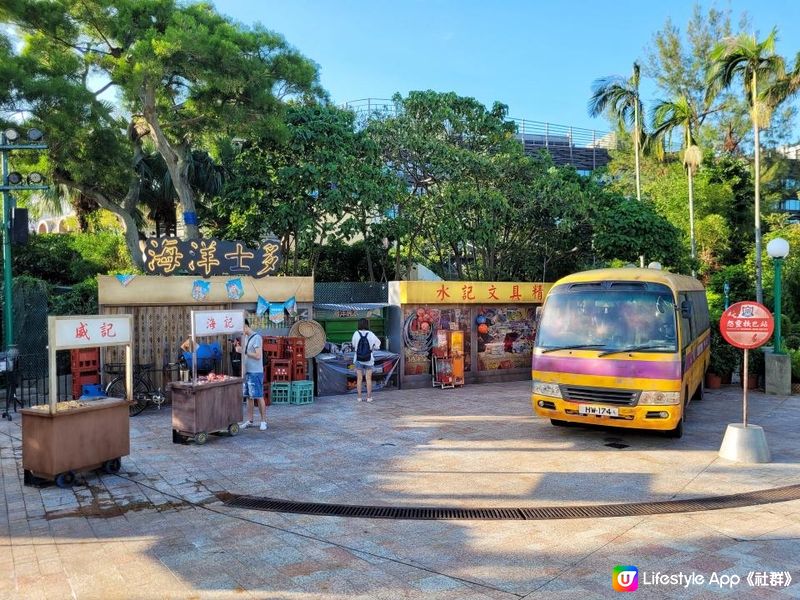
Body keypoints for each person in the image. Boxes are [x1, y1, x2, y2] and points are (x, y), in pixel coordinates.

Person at [235, 319, 267, 430]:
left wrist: (242, 351)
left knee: (258, 396)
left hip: (256, 372)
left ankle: (263, 421)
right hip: (247, 372)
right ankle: (250, 420)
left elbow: (258, 355)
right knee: (249, 397)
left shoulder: (257, 337)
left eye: (240, 329)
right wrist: (240, 349)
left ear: (245, 326)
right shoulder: (246, 338)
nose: (240, 332)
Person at [351, 318, 381, 403]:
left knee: (359, 379)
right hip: (369, 359)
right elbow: (378, 344)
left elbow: (353, 344)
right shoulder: (371, 334)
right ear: (367, 324)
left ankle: (359, 398)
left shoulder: (356, 334)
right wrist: (373, 348)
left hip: (358, 359)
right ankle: (369, 397)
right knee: (368, 379)